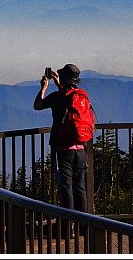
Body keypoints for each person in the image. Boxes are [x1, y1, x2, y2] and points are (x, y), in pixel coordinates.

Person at [33, 63, 89, 212]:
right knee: (80, 187)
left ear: (63, 79)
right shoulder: (81, 96)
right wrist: (60, 84)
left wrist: (43, 87)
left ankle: (67, 226)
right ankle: (83, 225)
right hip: (81, 147)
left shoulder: (57, 97)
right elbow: (67, 97)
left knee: (66, 187)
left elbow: (38, 105)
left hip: (63, 148)